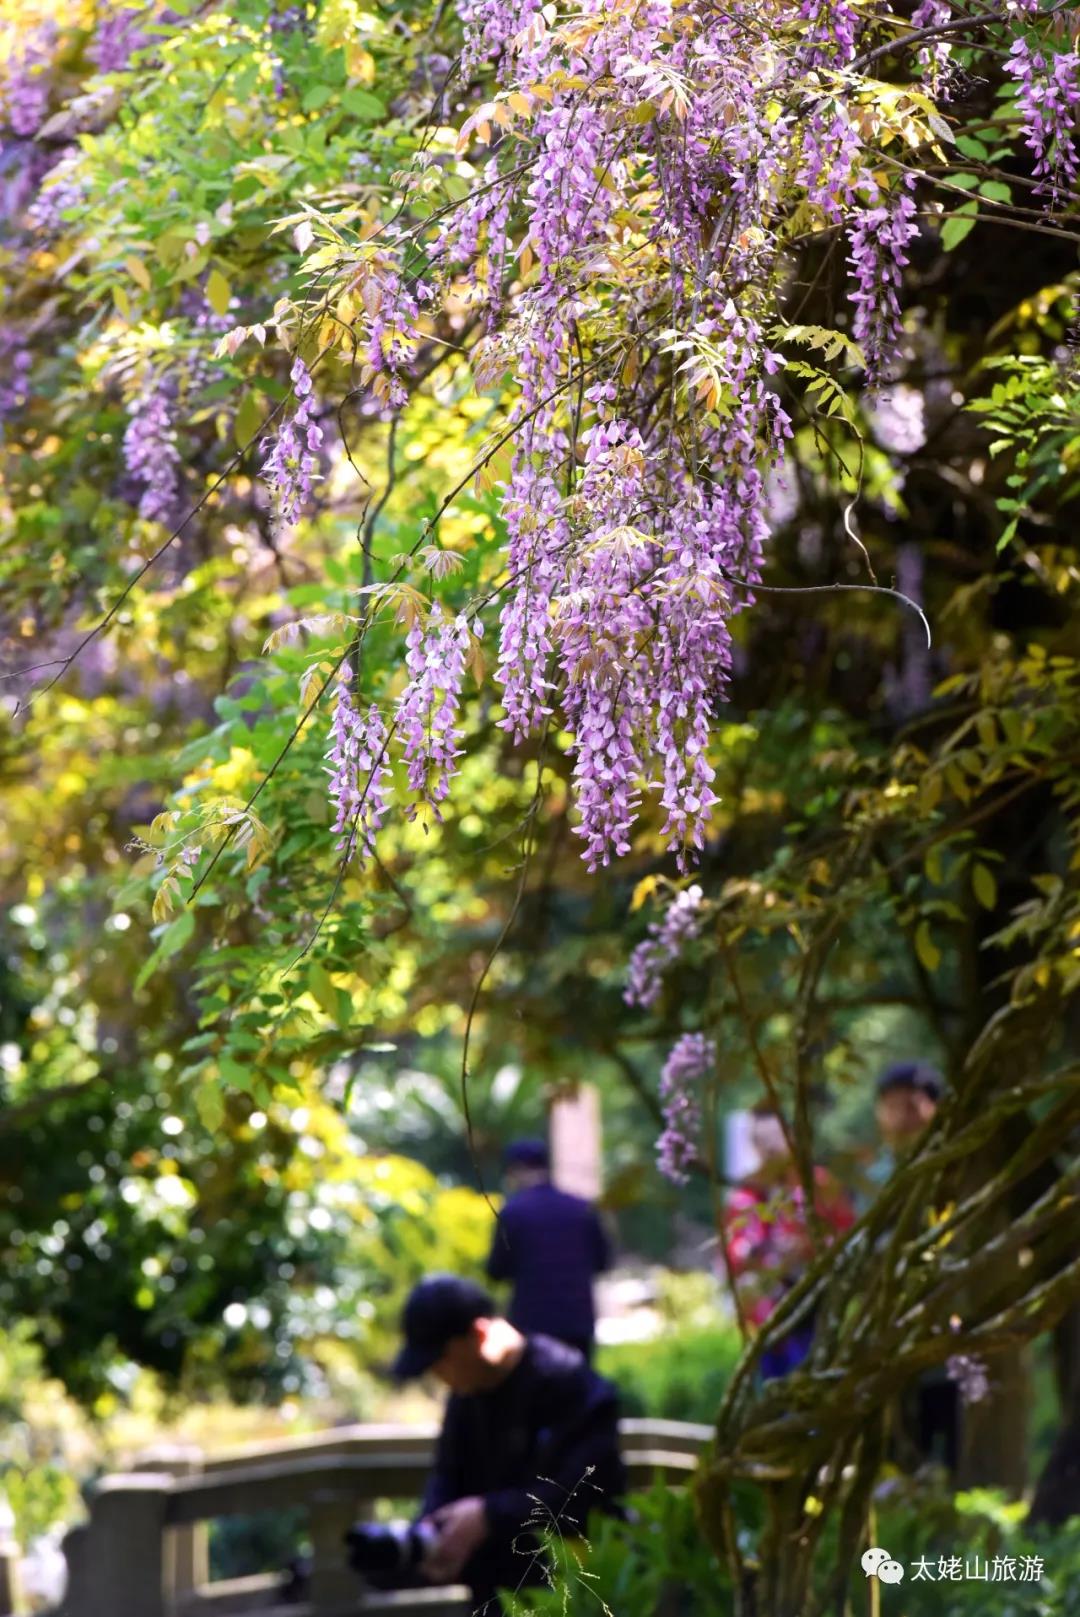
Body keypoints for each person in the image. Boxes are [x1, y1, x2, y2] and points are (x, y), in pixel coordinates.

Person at [387, 1274, 626, 1615]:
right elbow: (448, 1474)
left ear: (479, 1335)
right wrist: (431, 1530)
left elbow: (578, 1495)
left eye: (441, 1361)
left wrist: (490, 1515)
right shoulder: (468, 1393)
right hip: (494, 1597)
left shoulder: (571, 1385)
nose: (440, 1376)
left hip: (571, 1592)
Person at [870, 1060, 960, 1472]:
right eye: (890, 1107)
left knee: (944, 1449)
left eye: (910, 1106)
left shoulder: (954, 1172)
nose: (900, 1118)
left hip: (945, 1332)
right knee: (893, 1450)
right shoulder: (873, 1179)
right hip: (884, 1334)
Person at [722, 1104, 855, 1379]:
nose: (769, 1149)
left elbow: (848, 1236)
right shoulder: (744, 1196)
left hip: (814, 1314)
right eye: (760, 1141)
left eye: (776, 1138)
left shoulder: (817, 1186)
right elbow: (733, 1257)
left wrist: (810, 1249)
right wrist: (758, 1256)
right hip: (766, 1324)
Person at [486, 1138, 611, 1361]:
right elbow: (602, 1263)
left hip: (532, 1324)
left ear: (516, 1170)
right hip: (578, 1322)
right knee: (579, 1390)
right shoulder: (583, 1209)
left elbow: (496, 1270)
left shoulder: (512, 1214)